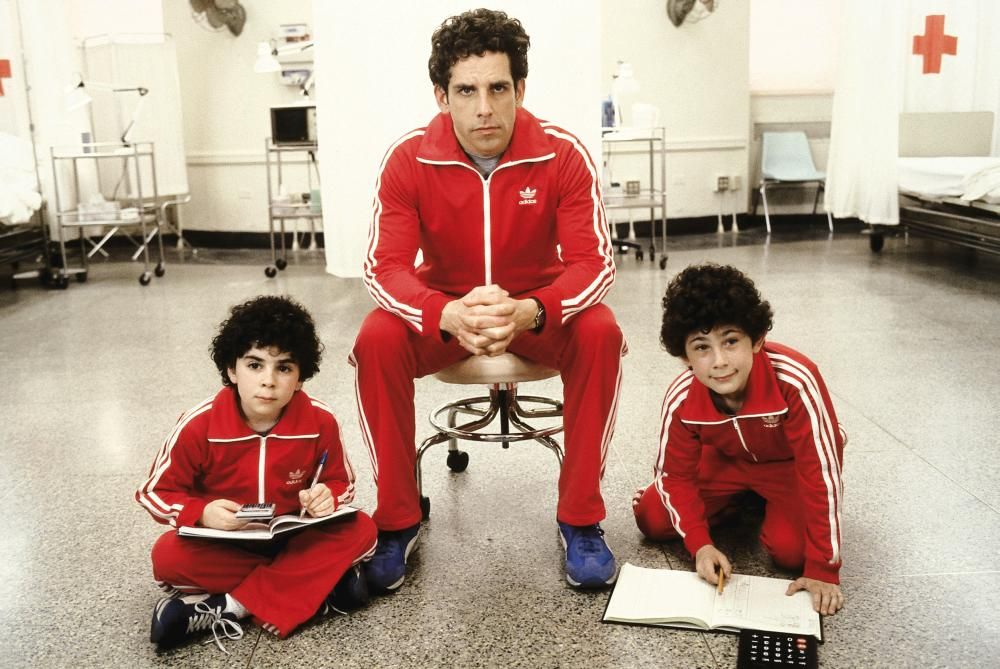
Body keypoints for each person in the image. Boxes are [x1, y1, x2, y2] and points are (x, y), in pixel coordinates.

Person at [351, 8, 626, 593]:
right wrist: (445, 313)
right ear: (441, 96)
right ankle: (397, 520)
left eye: (498, 88)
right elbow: (384, 267)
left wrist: (533, 310)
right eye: (466, 91)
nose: (484, 108)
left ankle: (580, 519)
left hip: (535, 310)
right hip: (446, 312)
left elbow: (594, 262)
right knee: (376, 336)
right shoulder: (408, 159)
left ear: (520, 89)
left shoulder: (562, 153)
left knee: (601, 330)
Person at [135, 296, 377, 650]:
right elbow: (153, 492)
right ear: (232, 370)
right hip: (225, 544)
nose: (268, 381)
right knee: (167, 556)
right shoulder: (198, 425)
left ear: (300, 378)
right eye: (254, 365)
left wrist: (329, 495)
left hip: (295, 537)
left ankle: (230, 607)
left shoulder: (320, 420)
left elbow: (341, 482)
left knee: (363, 529)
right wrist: (201, 512)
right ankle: (319, 588)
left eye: (284, 368)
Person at [632, 263, 847, 615]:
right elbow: (675, 476)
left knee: (792, 553)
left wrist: (824, 568)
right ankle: (740, 503)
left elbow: (821, 474)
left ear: (757, 340)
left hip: (789, 465)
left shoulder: (795, 380)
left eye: (731, 341)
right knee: (652, 517)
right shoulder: (681, 397)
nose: (719, 361)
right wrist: (700, 545)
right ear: (685, 357)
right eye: (702, 347)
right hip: (724, 461)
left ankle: (755, 503)